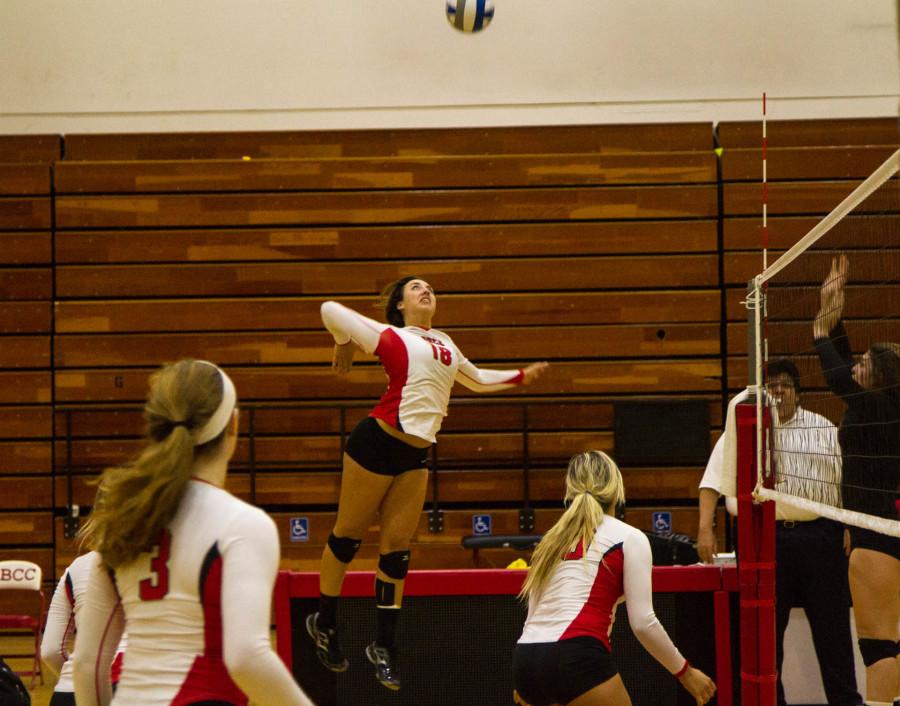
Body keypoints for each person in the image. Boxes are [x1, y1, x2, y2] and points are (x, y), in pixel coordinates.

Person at [307, 276, 548, 690]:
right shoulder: (390, 336)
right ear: (399, 305)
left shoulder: (446, 343)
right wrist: (343, 343)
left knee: (397, 553)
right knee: (347, 537)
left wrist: (519, 376)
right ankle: (325, 621)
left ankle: (384, 645)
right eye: (415, 287)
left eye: (430, 287)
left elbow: (474, 379)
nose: (426, 290)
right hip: (377, 441)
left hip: (415, 452)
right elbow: (330, 308)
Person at [71, 359, 316, 706]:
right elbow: (247, 657)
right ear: (233, 424)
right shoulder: (242, 523)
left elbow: (86, 664)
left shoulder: (125, 519)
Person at [698, 359, 861, 706]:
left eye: (785, 385)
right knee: (764, 632)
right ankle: (769, 701)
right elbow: (712, 481)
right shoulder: (744, 429)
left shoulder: (824, 428)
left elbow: (846, 482)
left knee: (833, 630)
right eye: (771, 385)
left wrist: (849, 524)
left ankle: (846, 700)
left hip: (821, 537)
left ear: (798, 393)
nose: (778, 391)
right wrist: (704, 529)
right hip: (763, 538)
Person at [514, 450, 716, 706]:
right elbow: (643, 622)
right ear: (617, 489)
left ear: (569, 491)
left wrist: (530, 676)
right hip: (575, 655)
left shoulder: (551, 540)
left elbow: (535, 613)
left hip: (526, 659)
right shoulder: (629, 537)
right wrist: (686, 673)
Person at [813, 255, 900, 706]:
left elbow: (835, 372)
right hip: (883, 525)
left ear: (879, 376)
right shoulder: (882, 407)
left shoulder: (875, 408)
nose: (856, 366)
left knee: (879, 645)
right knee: (891, 642)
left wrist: (819, 330)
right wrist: (835, 311)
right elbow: (844, 365)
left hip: (878, 531)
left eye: (865, 363)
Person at [41, 551, 127, 706]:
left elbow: (50, 651)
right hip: (138, 687)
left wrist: (76, 674)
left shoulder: (78, 566)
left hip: (67, 692)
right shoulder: (172, 556)